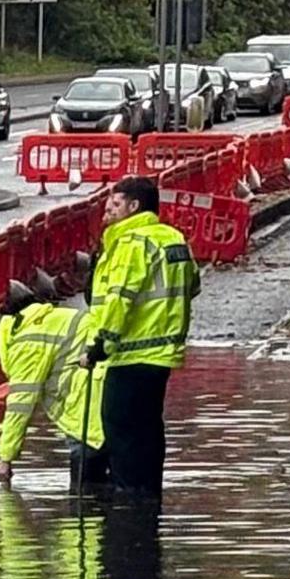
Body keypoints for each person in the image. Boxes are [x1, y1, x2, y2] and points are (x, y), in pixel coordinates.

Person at [81, 174, 199, 493]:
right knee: (148, 430)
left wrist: (100, 346)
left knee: (119, 431)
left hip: (129, 353)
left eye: (115, 204)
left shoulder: (130, 242)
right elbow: (193, 285)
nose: (107, 211)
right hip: (162, 355)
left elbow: (119, 298)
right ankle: (149, 500)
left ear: (134, 206)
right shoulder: (173, 238)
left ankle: (128, 511)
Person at [0, 273, 103, 486]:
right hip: (112, 389)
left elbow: (20, 406)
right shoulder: (47, 319)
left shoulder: (25, 341)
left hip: (87, 405)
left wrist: (5, 459)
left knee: (86, 490)